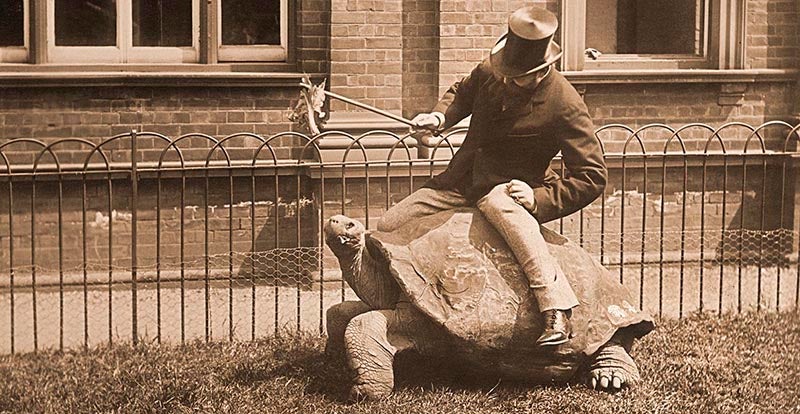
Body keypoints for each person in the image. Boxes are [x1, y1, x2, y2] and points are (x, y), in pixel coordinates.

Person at [377, 6, 607, 347]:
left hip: (510, 188)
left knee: (509, 213)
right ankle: (395, 306)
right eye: (506, 73)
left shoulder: (564, 103)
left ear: (543, 68)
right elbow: (460, 93)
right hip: (460, 179)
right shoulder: (492, 71)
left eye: (519, 77)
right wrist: (438, 118)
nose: (508, 81)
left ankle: (556, 309)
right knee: (388, 224)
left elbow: (592, 175)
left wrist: (538, 198)